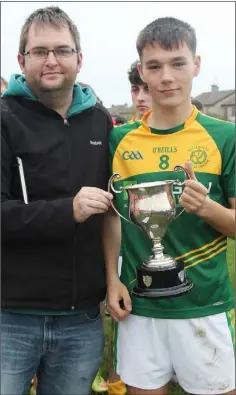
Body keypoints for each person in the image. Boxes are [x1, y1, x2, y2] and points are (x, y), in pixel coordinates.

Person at [104, 17, 235, 395]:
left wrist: (208, 208)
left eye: (177, 63)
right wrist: (112, 280)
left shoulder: (225, 136)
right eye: (155, 65)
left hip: (204, 305)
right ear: (141, 71)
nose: (166, 77)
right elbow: (113, 219)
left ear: (196, 64)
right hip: (139, 308)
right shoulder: (119, 139)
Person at [1, 6, 113, 395]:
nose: (52, 60)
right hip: (10, 318)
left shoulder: (100, 121)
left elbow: (114, 210)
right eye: (39, 51)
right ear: (21, 59)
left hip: (80, 320)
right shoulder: (3, 119)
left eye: (63, 50)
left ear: (79, 59)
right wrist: (69, 210)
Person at [106, 60, 152, 395]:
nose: (140, 97)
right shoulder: (118, 138)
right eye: (136, 89)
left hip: (185, 261)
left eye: (146, 88)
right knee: (124, 317)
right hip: (126, 252)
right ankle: (114, 374)